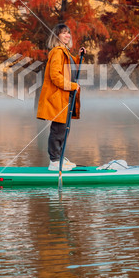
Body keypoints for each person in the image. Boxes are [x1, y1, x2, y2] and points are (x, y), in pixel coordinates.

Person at [37, 24, 86, 171]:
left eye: (68, 33)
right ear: (57, 36)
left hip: (66, 97)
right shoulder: (57, 52)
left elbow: (70, 69)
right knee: (58, 129)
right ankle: (54, 161)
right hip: (59, 97)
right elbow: (55, 76)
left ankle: (60, 158)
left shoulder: (65, 52)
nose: (67, 35)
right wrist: (72, 86)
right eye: (64, 33)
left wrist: (79, 57)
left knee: (64, 129)